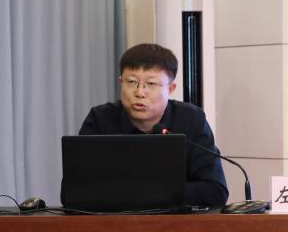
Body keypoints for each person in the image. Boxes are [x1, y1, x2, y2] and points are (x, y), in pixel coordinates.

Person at [79, 43, 228, 206]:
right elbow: (75, 190)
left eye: (151, 84)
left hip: (174, 221)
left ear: (170, 89)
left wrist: (144, 192)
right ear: (121, 82)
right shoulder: (100, 120)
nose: (140, 93)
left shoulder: (191, 119)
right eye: (132, 82)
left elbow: (216, 191)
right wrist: (158, 192)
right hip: (114, 220)